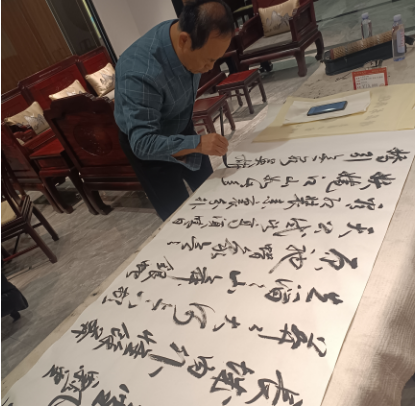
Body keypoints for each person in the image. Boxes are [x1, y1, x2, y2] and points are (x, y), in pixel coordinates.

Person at [115, 0, 234, 221]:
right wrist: (197, 144)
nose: (210, 68)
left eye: (216, 60)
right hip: (148, 144)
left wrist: (194, 143)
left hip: (181, 125)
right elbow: (143, 143)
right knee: (178, 218)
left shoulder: (187, 33)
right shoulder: (140, 72)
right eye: (208, 60)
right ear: (184, 41)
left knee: (213, 194)